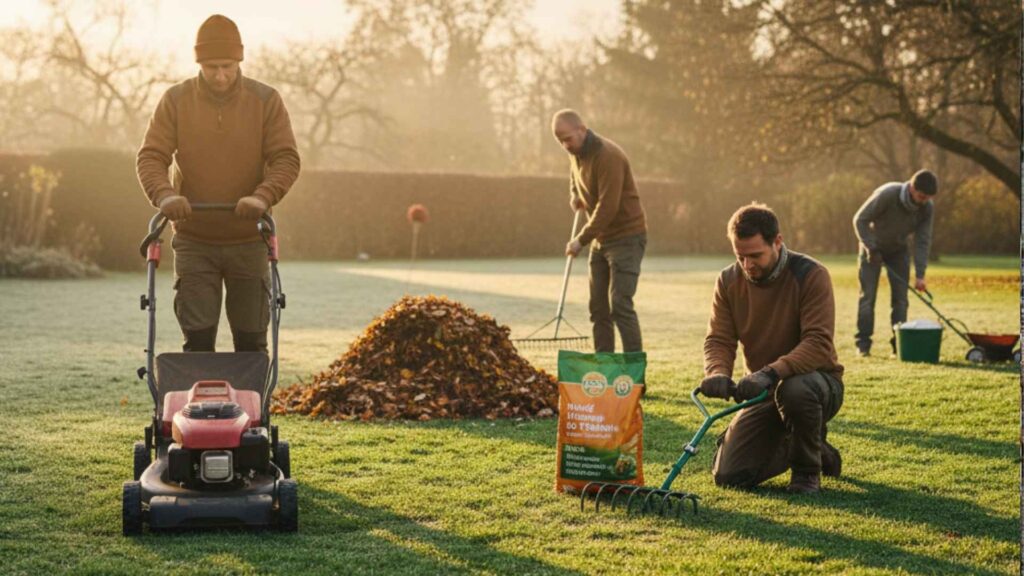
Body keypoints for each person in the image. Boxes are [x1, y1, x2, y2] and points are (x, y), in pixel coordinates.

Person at [136, 14, 300, 353]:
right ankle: (198, 405)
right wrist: (164, 195)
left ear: (239, 60)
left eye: (227, 66)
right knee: (197, 335)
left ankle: (252, 405)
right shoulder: (176, 100)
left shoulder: (266, 100)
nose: (220, 75)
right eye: (212, 67)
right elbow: (152, 156)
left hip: (249, 238)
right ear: (199, 63)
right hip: (195, 239)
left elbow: (286, 158)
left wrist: (262, 197)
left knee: (252, 336)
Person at [700, 203, 843, 494]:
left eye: (755, 255)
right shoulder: (728, 281)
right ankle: (814, 443)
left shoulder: (811, 274)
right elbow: (719, 339)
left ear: (777, 241)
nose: (748, 265)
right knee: (729, 476)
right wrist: (717, 371)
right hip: (761, 390)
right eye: (740, 257)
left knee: (794, 390)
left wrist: (770, 372)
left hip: (816, 384)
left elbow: (817, 344)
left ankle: (806, 472)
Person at [551, 109, 647, 353]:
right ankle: (605, 369)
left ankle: (633, 374)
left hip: (627, 237)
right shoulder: (576, 152)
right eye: (559, 141)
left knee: (620, 306)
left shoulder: (608, 156)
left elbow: (608, 207)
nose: (565, 145)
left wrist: (579, 241)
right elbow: (575, 175)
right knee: (598, 308)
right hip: (601, 239)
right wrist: (575, 194)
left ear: (582, 129)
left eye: (567, 138)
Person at [852, 170, 938, 356]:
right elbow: (860, 219)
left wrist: (920, 274)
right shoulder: (888, 194)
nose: (924, 201)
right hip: (871, 250)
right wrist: (871, 248)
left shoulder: (926, 207)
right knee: (868, 298)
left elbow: (923, 240)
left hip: (898, 251)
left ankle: (898, 345)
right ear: (912, 188)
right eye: (922, 196)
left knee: (900, 300)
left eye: (928, 198)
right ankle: (863, 345)